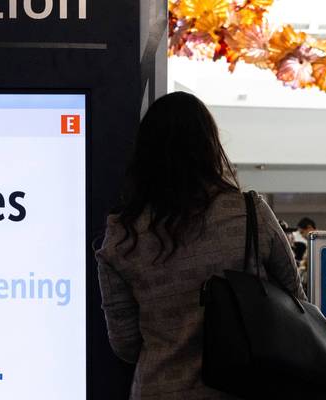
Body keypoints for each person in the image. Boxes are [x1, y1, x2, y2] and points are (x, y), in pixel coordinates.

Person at [95, 92, 304, 399]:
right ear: (210, 146)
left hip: (159, 389)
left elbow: (125, 344)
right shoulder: (249, 213)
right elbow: (297, 302)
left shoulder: (122, 236)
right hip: (241, 387)